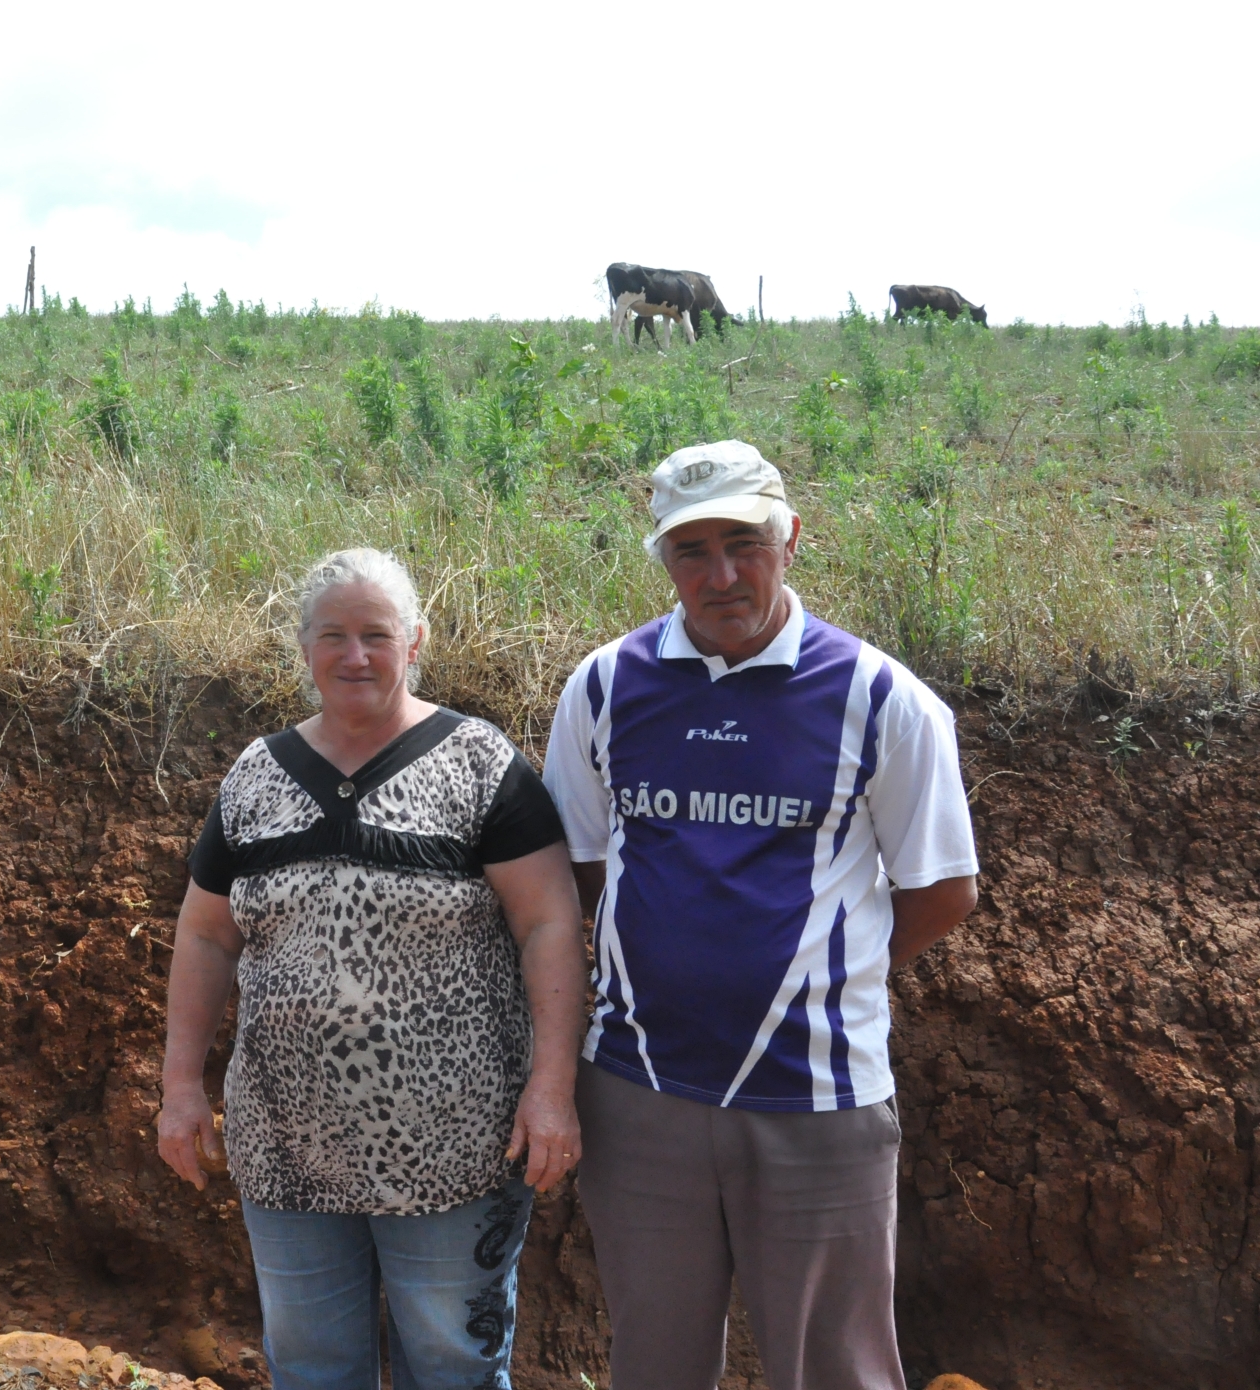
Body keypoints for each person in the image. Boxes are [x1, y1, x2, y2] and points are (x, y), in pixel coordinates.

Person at [541, 440, 980, 1390]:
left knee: (836, 1370)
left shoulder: (881, 698)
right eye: (690, 551)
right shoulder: (606, 687)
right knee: (655, 1365)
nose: (722, 574)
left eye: (744, 542)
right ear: (662, 559)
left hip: (818, 1099)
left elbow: (943, 889)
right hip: (639, 1091)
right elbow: (576, 873)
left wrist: (831, 975)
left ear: (791, 538)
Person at [156, 547, 589, 1390]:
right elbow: (206, 935)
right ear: (304, 647)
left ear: (416, 641)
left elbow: (550, 924)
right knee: (313, 1368)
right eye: (334, 636)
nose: (355, 656)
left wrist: (552, 1086)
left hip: (456, 1146)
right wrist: (180, 1086)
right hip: (285, 1144)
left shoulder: (478, 765)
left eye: (376, 635)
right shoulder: (254, 777)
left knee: (455, 1363)